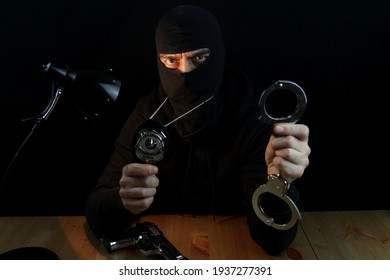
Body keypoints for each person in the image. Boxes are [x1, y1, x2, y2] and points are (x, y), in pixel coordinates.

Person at [84, 4, 311, 255]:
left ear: (218, 55)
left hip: (233, 253)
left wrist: (278, 184)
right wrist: (122, 201)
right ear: (159, 60)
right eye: (172, 60)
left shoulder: (251, 122)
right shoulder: (147, 118)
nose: (185, 73)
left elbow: (273, 241)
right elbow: (96, 212)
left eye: (199, 58)